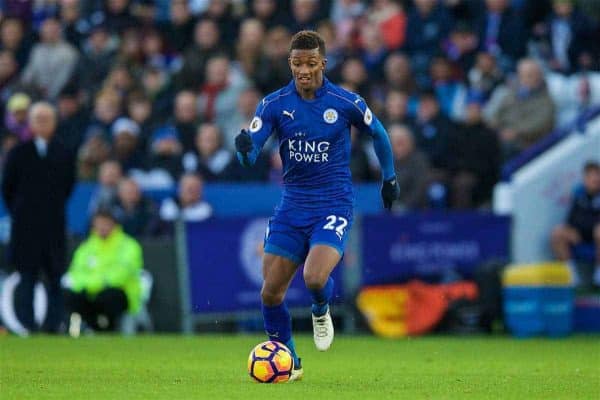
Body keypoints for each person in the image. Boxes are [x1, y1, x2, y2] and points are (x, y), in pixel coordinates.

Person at [234, 30, 398, 380]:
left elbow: (380, 133)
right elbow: (251, 155)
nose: (303, 70)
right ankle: (291, 361)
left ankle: (320, 308)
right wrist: (244, 147)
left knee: (313, 276)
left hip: (333, 203)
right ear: (289, 64)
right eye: (296, 64)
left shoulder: (344, 101)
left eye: (310, 63)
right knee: (270, 292)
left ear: (323, 62)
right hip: (292, 206)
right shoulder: (274, 104)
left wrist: (390, 178)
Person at [1, 102, 75, 333]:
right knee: (27, 278)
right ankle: (27, 326)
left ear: (55, 122)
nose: (42, 123)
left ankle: (54, 326)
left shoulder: (63, 152)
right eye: (38, 119)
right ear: (30, 123)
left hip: (53, 227)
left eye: (47, 119)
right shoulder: (18, 154)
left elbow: (68, 186)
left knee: (55, 278)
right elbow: (8, 189)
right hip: (25, 228)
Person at [63, 209, 143, 333]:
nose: (102, 227)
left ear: (114, 224)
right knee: (72, 296)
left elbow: (121, 274)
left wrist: (95, 284)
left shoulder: (128, 246)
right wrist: (92, 285)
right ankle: (84, 329)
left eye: (105, 223)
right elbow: (76, 273)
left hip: (120, 295)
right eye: (98, 224)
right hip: (91, 293)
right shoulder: (86, 247)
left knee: (109, 296)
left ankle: (107, 329)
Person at [550, 161, 600, 286]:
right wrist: (572, 230)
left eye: (597, 176)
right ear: (585, 178)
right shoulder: (579, 195)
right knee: (558, 232)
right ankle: (571, 277)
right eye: (591, 176)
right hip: (580, 234)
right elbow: (571, 218)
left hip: (596, 236)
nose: (595, 179)